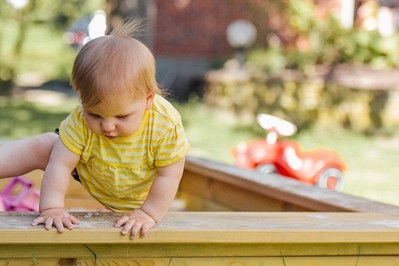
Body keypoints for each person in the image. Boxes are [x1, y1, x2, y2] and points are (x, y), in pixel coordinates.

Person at [0, 19, 190, 239]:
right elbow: (60, 165)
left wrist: (148, 213)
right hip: (95, 169)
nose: (107, 126)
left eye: (122, 116)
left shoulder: (164, 124)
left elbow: (170, 174)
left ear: (148, 99)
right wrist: (52, 208)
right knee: (47, 145)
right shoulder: (80, 119)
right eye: (95, 115)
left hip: (142, 190)